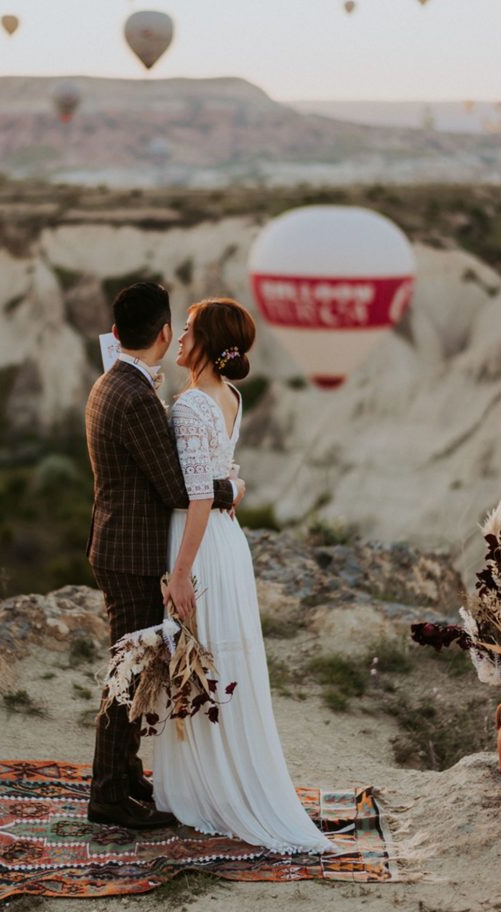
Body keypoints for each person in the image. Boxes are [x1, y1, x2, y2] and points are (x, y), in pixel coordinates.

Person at [153, 297, 339, 856]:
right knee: (218, 663)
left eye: (188, 330)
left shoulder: (191, 406)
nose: (180, 338)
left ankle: (207, 790)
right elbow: (225, 477)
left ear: (207, 342)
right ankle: (220, 778)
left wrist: (181, 572)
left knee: (197, 660)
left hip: (200, 546)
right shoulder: (230, 396)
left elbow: (201, 494)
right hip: (227, 546)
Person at [84, 282, 245, 830]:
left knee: (134, 664)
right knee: (127, 672)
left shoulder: (114, 383)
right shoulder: (135, 398)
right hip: (129, 554)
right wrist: (229, 490)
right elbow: (179, 489)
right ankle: (106, 795)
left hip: (118, 544)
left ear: (115, 333)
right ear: (161, 333)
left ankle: (125, 775)